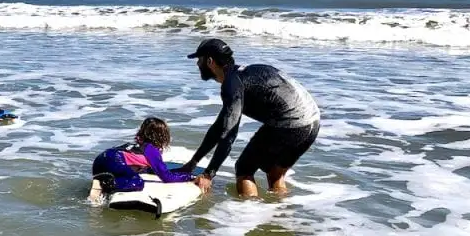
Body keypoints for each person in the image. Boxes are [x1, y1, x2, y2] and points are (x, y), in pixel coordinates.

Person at [177, 38, 320, 197]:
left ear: (210, 61)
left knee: (244, 169)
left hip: (291, 123)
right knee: (275, 173)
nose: (198, 64)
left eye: (200, 59)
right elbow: (219, 128)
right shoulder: (242, 75)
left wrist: (208, 174)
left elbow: (229, 133)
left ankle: (248, 216)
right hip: (312, 122)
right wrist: (194, 162)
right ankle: (280, 214)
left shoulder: (232, 85)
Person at [89, 117, 193, 202]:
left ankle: (103, 180)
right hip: (115, 161)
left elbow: (149, 169)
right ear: (161, 137)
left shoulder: (136, 145)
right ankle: (104, 184)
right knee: (137, 182)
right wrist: (189, 177)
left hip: (100, 160)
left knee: (126, 174)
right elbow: (167, 177)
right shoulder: (152, 150)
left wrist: (180, 171)